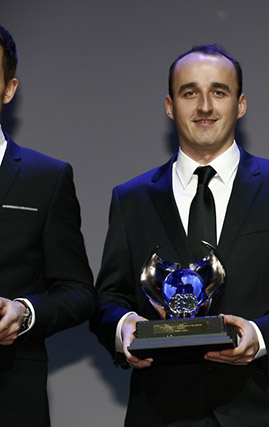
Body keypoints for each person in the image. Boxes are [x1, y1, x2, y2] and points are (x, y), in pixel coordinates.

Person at [90, 44, 269, 427]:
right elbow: (107, 298)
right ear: (170, 106)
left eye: (219, 92)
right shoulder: (132, 198)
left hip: (263, 409)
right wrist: (123, 325)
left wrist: (261, 336)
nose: (205, 106)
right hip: (161, 412)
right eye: (189, 92)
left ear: (240, 105)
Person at [0, 24, 96, 426]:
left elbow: (78, 292)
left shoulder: (47, 178)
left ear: (8, 89)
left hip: (10, 396)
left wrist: (24, 313)